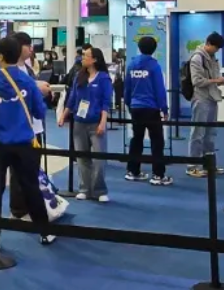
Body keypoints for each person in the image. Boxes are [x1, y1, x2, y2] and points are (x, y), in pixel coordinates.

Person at [0, 34, 55, 246]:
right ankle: (44, 231)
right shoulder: (28, 81)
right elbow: (39, 112)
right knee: (30, 186)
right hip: (24, 143)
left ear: (0, 56)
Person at [63, 45, 112, 202]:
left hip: (96, 122)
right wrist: (64, 115)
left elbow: (106, 102)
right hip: (79, 122)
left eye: (86, 55)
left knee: (99, 158)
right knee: (82, 157)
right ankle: (84, 188)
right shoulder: (79, 76)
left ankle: (99, 190)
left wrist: (103, 122)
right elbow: (72, 98)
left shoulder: (103, 78)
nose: (82, 58)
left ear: (94, 59)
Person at [123, 34, 170, 185]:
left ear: (139, 47)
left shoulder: (131, 65)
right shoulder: (154, 66)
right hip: (151, 108)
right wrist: (164, 109)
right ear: (154, 49)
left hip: (136, 108)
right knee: (157, 141)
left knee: (136, 139)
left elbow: (127, 88)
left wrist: (129, 104)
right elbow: (159, 89)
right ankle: (158, 175)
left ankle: (133, 171)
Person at [185, 32, 224, 178]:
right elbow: (197, 81)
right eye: (216, 47)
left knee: (210, 133)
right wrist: (216, 81)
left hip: (212, 98)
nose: (217, 50)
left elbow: (213, 77)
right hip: (201, 98)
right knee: (198, 132)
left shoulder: (213, 57)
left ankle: (209, 164)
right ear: (208, 43)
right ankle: (192, 166)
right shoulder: (197, 58)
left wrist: (221, 81)